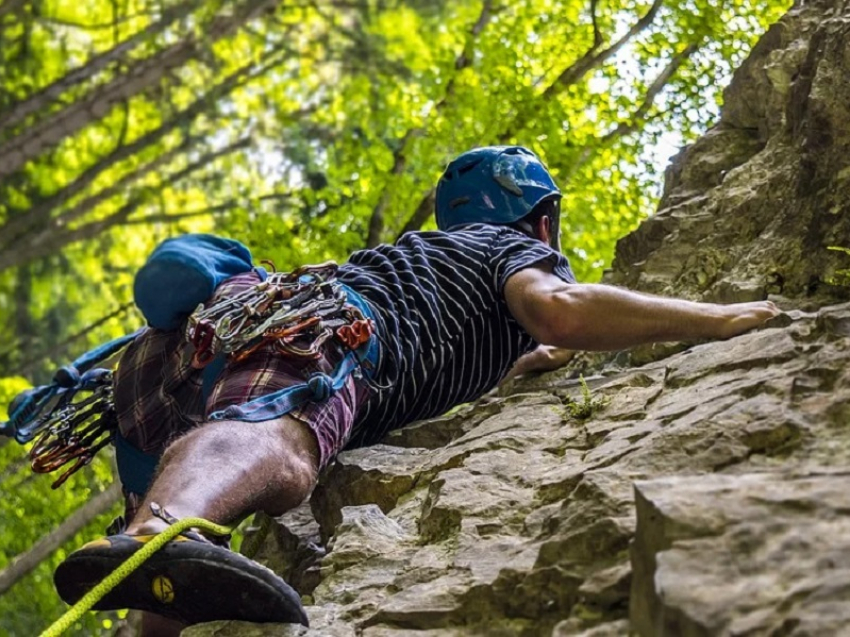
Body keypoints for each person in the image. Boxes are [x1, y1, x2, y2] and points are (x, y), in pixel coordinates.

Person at [53, 146, 779, 634]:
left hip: (164, 368)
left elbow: (531, 347)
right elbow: (560, 309)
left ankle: (150, 575)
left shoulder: (430, 261)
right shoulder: (509, 249)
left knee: (168, 574)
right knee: (285, 440)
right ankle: (155, 533)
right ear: (542, 220)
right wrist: (721, 318)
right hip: (320, 328)